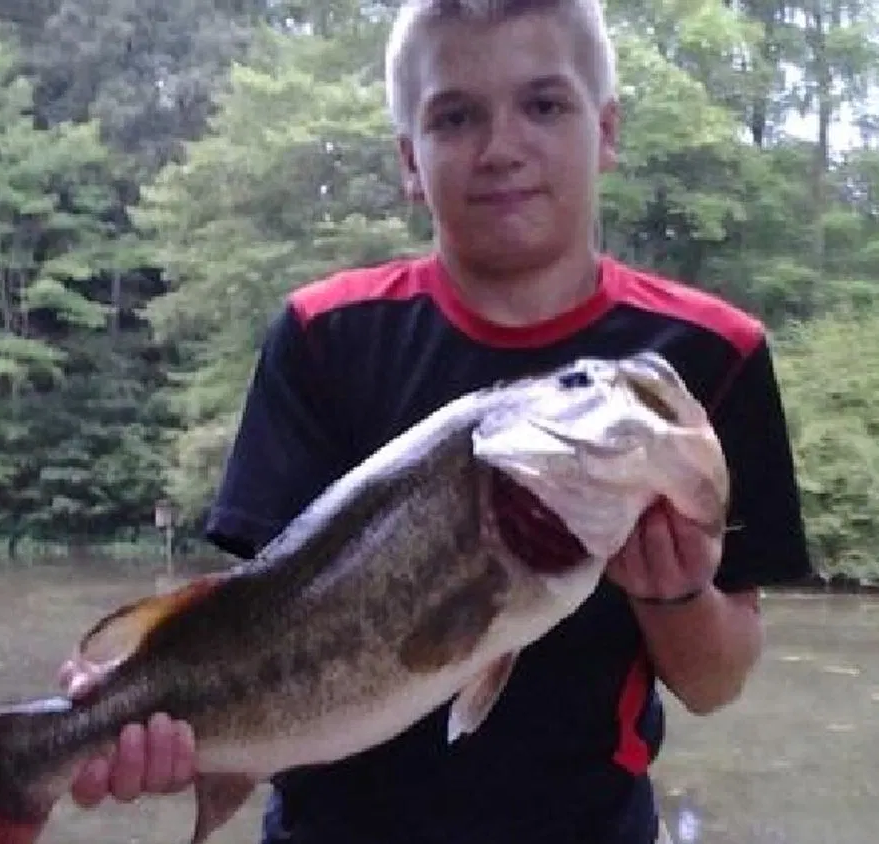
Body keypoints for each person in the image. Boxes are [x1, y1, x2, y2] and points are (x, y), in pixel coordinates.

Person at [56, 1, 815, 841]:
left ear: (605, 131)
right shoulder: (322, 335)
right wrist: (122, 713)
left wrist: (674, 593)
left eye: (544, 104)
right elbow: (254, 618)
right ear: (408, 162)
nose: (502, 147)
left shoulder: (711, 356)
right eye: (455, 116)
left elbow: (716, 682)